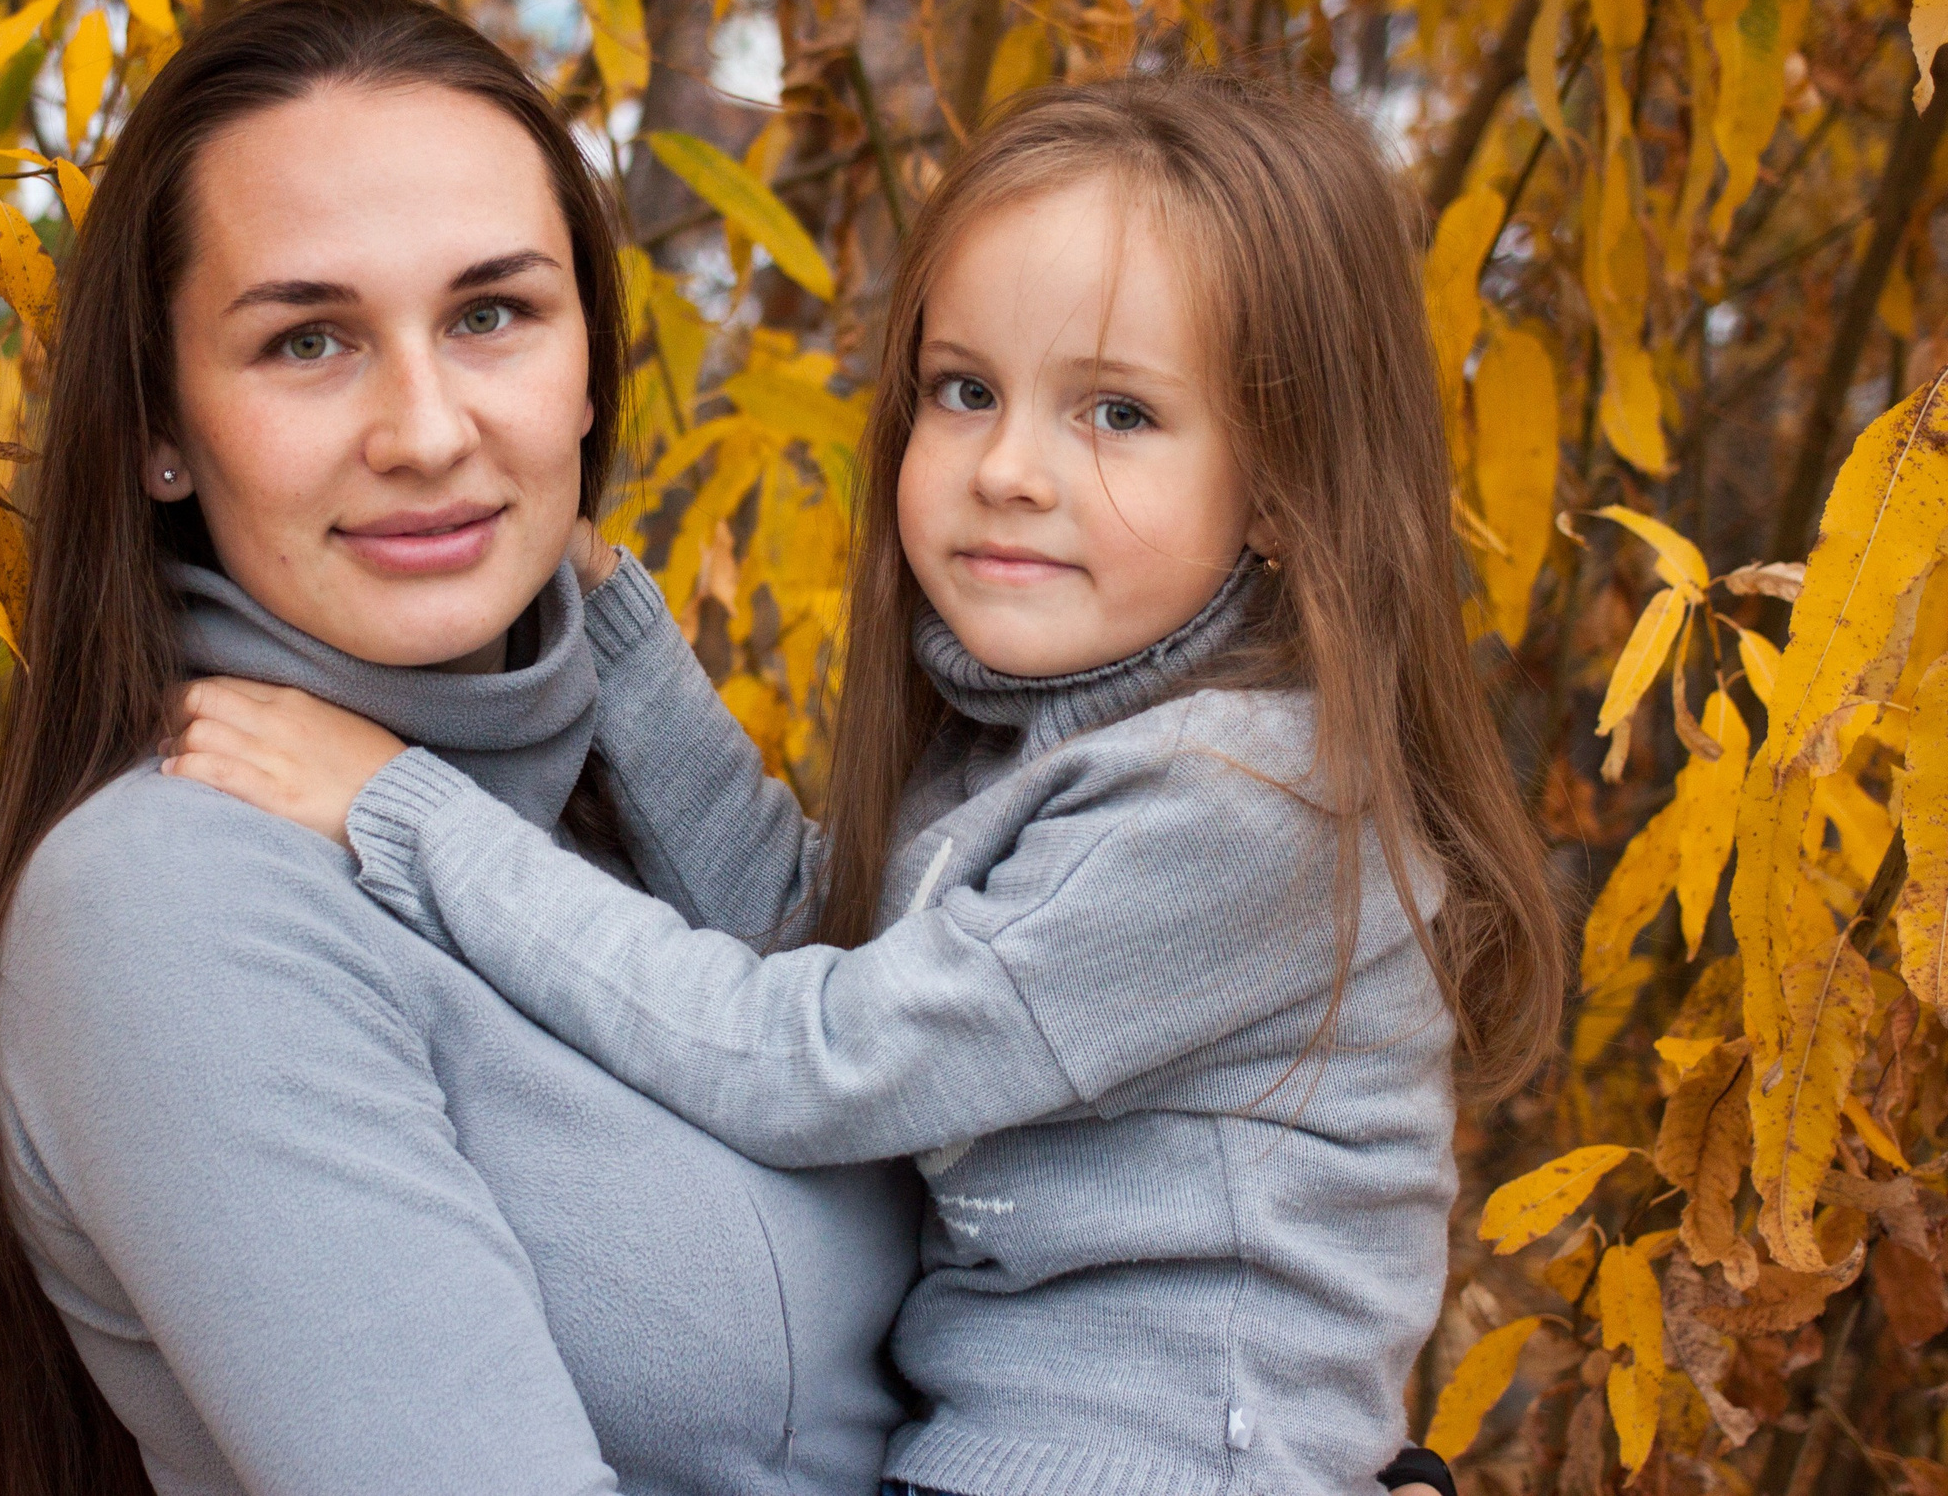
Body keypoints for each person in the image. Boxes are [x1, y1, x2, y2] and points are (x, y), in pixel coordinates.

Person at [162, 73, 1569, 1495]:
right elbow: (807, 931)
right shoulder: (1036, 740)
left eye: (1118, 413)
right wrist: (615, 631)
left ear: (1281, 487)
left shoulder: (1240, 806)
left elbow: (812, 1059)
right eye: (966, 391)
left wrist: (404, 813)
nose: (1008, 469)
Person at [0, 0, 920, 1496]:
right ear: (162, 426)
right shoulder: (179, 899)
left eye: (491, 315)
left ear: (591, 367)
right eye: (309, 341)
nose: (430, 431)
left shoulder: (628, 806)